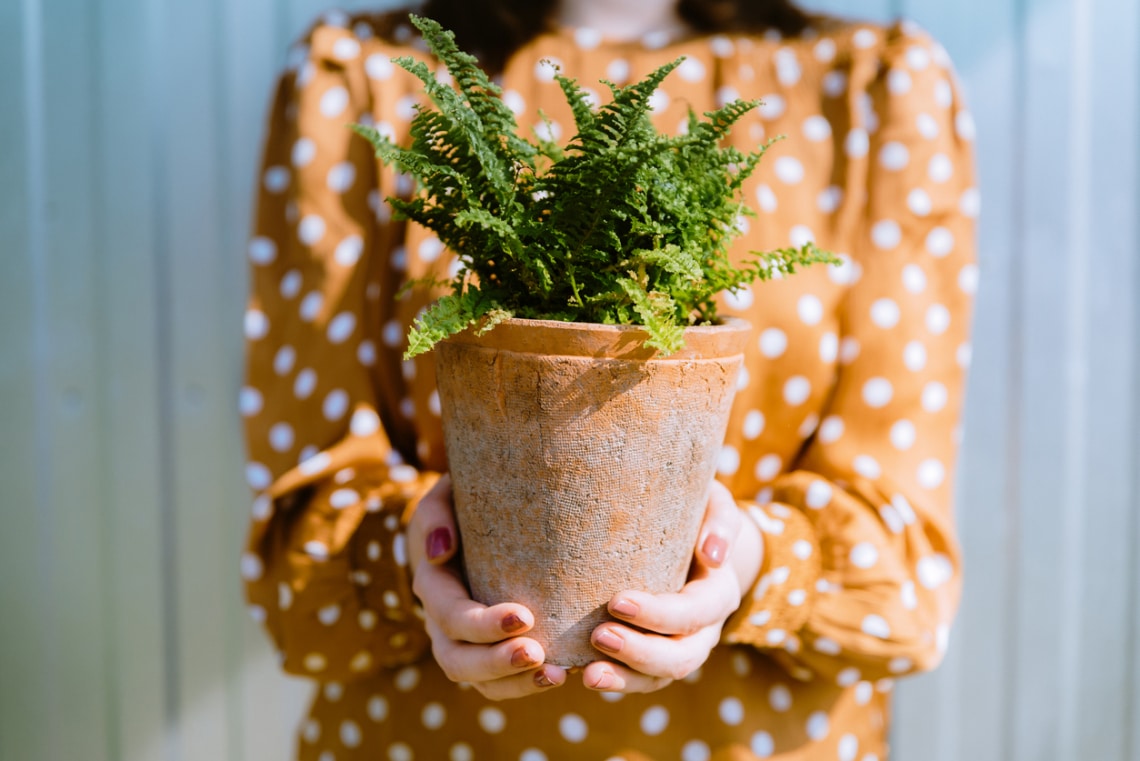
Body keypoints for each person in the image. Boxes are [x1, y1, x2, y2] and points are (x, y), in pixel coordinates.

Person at [239, 0, 977, 757]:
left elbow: (908, 581)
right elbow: (294, 590)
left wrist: (752, 561)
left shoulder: (872, 89)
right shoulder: (367, 75)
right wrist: (416, 555)